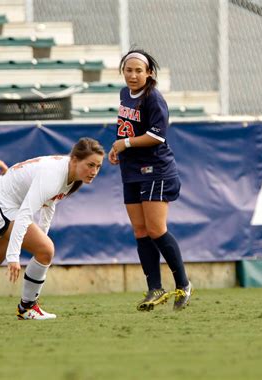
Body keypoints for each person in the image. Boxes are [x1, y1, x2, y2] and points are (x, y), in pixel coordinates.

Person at [0, 137, 105, 320]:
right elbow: (25, 213)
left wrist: (42, 236)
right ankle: (27, 308)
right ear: (74, 160)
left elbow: (50, 205)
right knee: (46, 250)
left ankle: (27, 308)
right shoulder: (54, 174)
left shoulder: (72, 176)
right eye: (90, 165)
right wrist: (14, 256)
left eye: (98, 166)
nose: (94, 171)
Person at [108, 49, 192, 311]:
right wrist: (118, 148)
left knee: (156, 229)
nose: (132, 75)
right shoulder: (125, 94)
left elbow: (157, 136)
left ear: (149, 73)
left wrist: (124, 143)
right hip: (131, 169)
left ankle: (183, 285)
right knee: (140, 231)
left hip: (155, 169)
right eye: (128, 70)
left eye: (138, 70)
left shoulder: (153, 98)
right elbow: (127, 129)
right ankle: (155, 288)